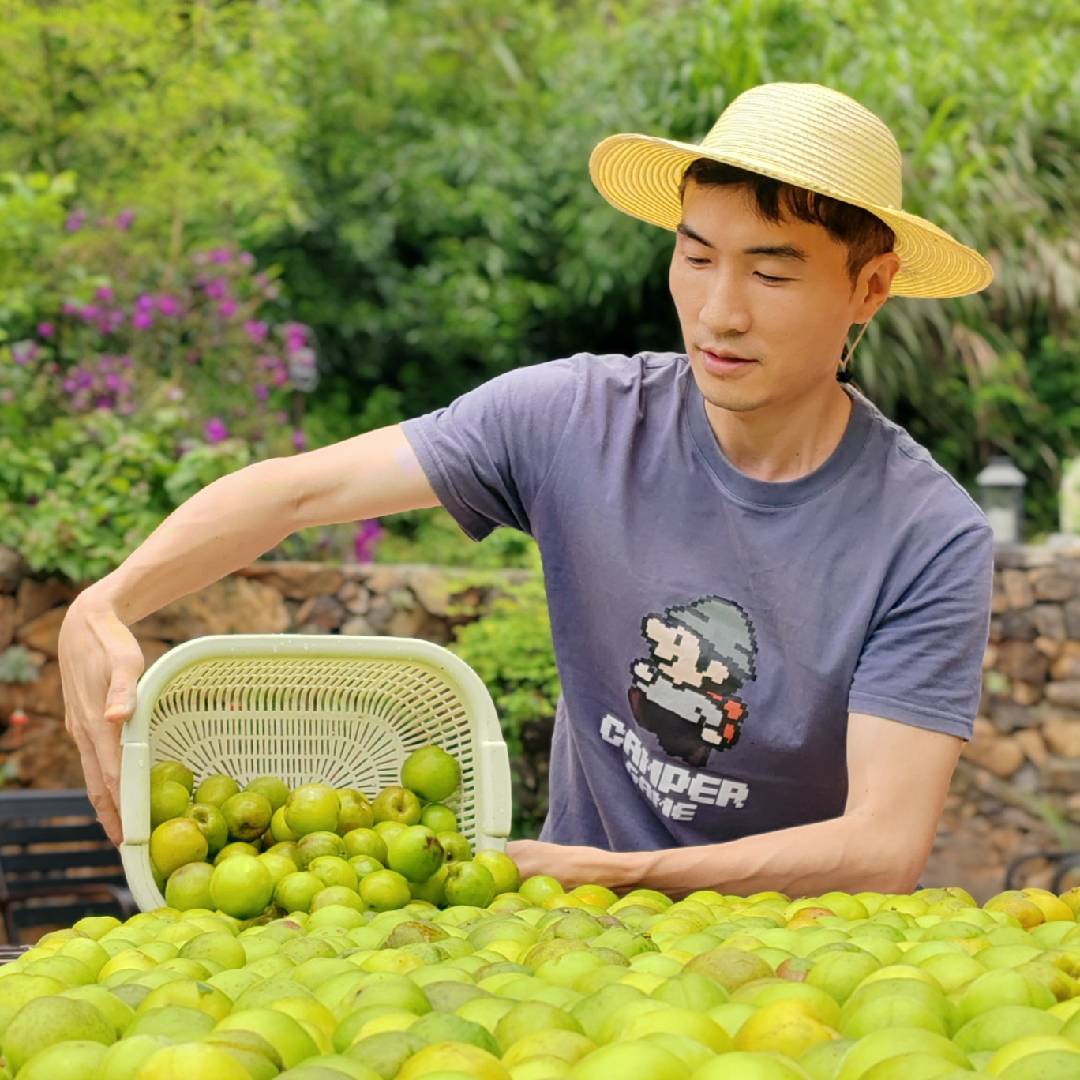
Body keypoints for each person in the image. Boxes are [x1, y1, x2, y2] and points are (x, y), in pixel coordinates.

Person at [59, 82, 995, 897]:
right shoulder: (575, 418)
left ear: (869, 288)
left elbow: (881, 847)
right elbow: (295, 493)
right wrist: (108, 600)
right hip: (555, 955)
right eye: (698, 256)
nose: (719, 311)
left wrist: (624, 876)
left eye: (772, 270)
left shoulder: (925, 534)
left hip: (802, 975)